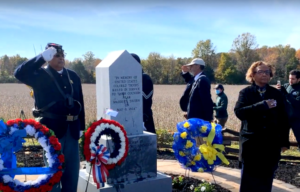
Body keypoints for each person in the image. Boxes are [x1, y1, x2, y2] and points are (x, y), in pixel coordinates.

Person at [14, 43, 85, 192]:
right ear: (48, 58)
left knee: (72, 176)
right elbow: (19, 73)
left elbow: (80, 102)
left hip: (72, 131)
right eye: (55, 55)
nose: (60, 58)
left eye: (62, 55)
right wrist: (41, 58)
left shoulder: (72, 76)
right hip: (51, 132)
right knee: (52, 177)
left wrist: (82, 128)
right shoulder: (39, 75)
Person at [234, 61, 290, 192]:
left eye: (267, 72)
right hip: (251, 144)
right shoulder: (246, 93)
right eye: (261, 72)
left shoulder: (276, 94)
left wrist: (284, 142)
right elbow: (240, 112)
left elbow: (284, 119)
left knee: (266, 181)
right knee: (248, 182)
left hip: (271, 144)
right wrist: (262, 105)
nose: (265, 75)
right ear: (252, 75)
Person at [179, 58, 213, 146]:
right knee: (195, 142)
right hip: (194, 117)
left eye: (192, 65)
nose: (189, 67)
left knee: (200, 143)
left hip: (199, 119)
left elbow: (206, 101)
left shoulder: (203, 80)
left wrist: (208, 118)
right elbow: (190, 82)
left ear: (198, 66)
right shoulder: (197, 79)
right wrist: (185, 72)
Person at [131, 53, 156, 134]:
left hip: (144, 117)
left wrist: (143, 117)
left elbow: (146, 100)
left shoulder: (144, 78)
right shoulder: (131, 77)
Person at [276, 70, 300, 149]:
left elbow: (297, 103)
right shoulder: (286, 86)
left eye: (293, 79)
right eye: (289, 78)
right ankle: (277, 160)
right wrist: (278, 91)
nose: (290, 80)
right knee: (280, 141)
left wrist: (286, 94)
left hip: (297, 119)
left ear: (298, 79)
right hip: (285, 118)